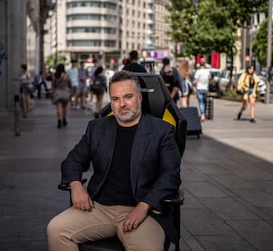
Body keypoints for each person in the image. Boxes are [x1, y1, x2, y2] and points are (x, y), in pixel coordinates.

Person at [47, 71, 181, 251]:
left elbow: (170, 176)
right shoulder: (97, 128)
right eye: (115, 99)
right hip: (99, 208)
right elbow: (72, 160)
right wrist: (76, 185)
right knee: (56, 230)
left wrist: (144, 206)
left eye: (128, 97)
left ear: (140, 97)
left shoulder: (161, 131)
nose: (122, 104)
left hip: (144, 211)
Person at [52, 64, 72, 129]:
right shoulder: (67, 76)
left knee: (59, 108)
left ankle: (59, 121)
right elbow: (70, 84)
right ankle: (64, 119)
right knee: (65, 107)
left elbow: (53, 85)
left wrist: (53, 93)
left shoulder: (55, 76)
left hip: (58, 93)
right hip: (65, 93)